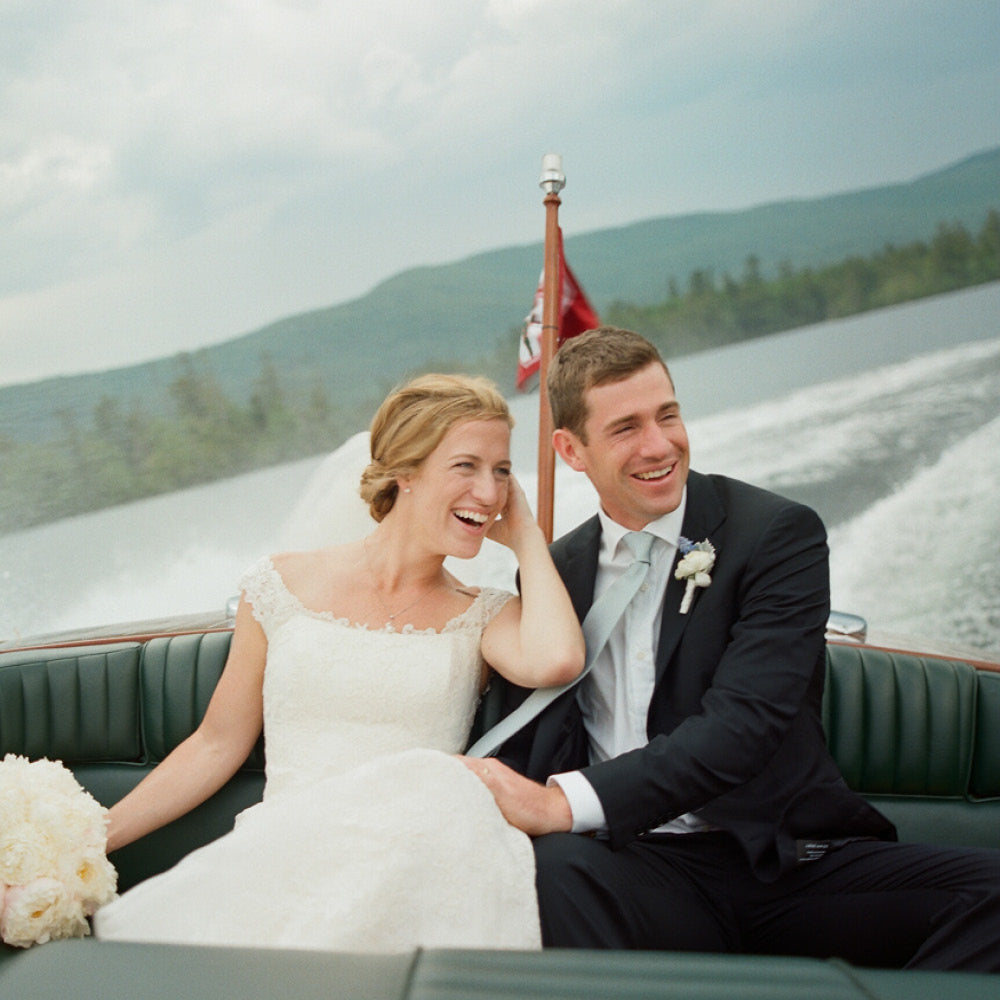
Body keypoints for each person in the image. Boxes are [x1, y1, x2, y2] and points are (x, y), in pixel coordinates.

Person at [460, 327, 1000, 971]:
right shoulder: (554, 574)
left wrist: (558, 802)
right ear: (570, 450)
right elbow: (535, 738)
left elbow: (745, 727)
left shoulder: (775, 535)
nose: (660, 445)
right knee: (555, 869)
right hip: (639, 868)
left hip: (785, 866)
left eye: (668, 415)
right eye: (626, 427)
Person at [94, 373, 585, 952]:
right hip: (283, 851)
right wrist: (90, 840)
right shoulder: (279, 583)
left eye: (501, 471)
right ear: (405, 470)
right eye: (466, 466)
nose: (490, 491)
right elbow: (216, 745)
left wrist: (525, 534)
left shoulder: (480, 614)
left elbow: (557, 660)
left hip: (408, 857)